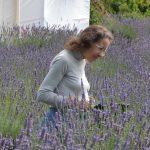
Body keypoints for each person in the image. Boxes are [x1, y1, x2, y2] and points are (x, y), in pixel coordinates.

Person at [36, 25, 114, 133]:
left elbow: (71, 89)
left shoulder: (82, 60)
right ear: (88, 42)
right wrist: (75, 103)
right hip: (56, 125)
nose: (102, 54)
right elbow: (42, 94)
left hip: (74, 126)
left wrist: (87, 101)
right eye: (100, 48)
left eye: (105, 50)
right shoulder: (64, 60)